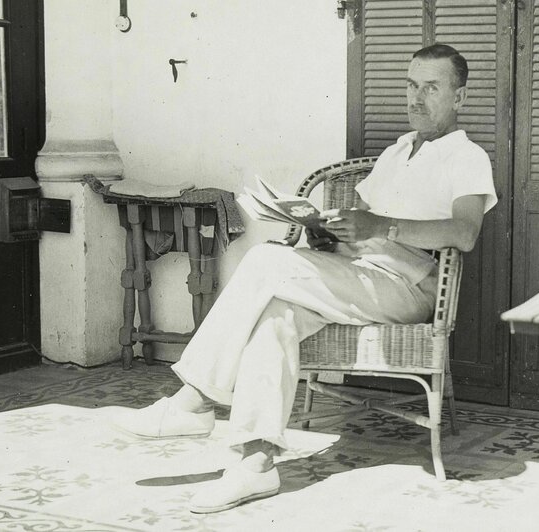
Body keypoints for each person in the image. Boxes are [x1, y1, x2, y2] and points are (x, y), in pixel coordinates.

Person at [113, 43, 497, 514]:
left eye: (432, 88)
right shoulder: (397, 151)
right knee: (275, 315)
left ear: (459, 97)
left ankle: (193, 401)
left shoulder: (467, 156)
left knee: (265, 261)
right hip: (357, 273)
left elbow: (465, 232)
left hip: (409, 282)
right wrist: (327, 233)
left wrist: (382, 227)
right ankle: (257, 464)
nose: (416, 99)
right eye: (411, 86)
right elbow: (360, 221)